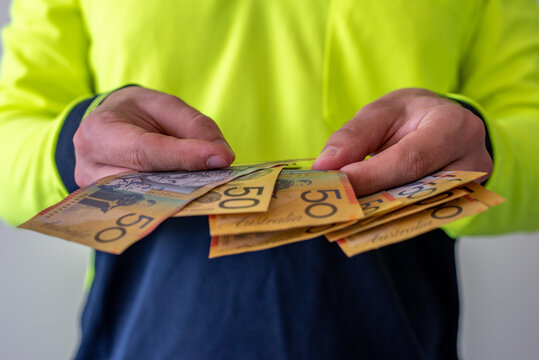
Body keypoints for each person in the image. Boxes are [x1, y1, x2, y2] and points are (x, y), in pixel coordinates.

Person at [1, 0, 538, 359]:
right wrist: (72, 142)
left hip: (395, 334)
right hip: (145, 335)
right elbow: (12, 126)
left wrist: (482, 144)